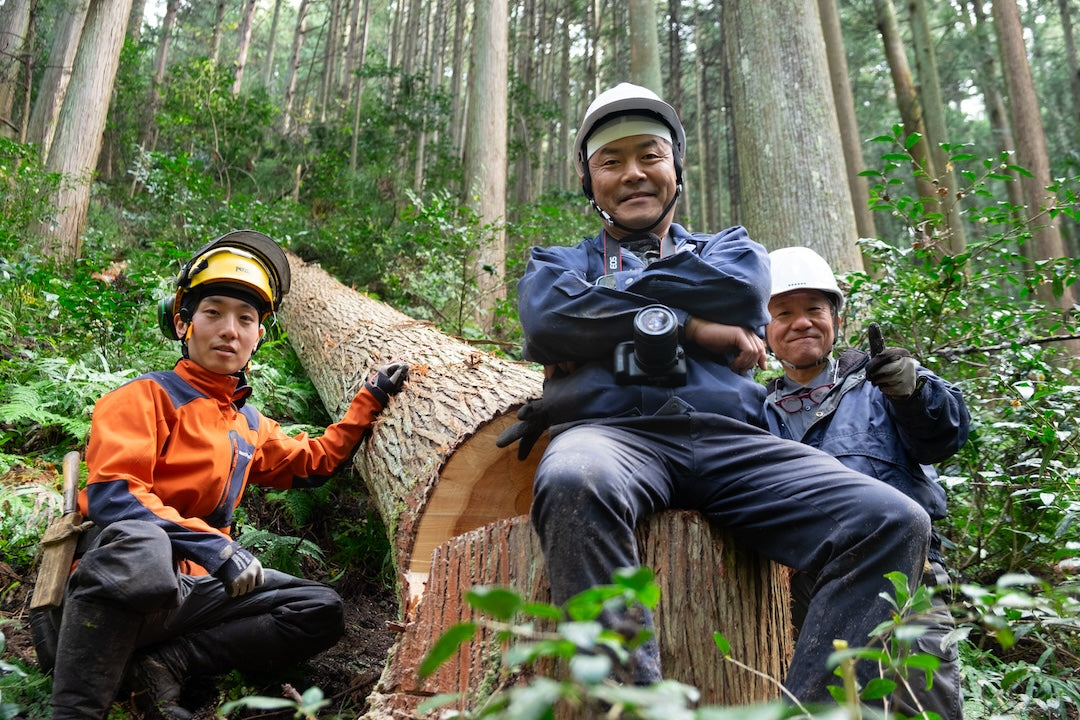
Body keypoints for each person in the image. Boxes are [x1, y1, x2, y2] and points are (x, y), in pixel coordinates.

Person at [496, 82, 932, 703]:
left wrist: (601, 322)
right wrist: (691, 324)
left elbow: (739, 294)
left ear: (676, 166)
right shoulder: (555, 265)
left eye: (650, 155)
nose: (633, 175)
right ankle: (635, 710)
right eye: (610, 162)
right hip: (613, 437)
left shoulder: (731, 250)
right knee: (573, 478)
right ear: (590, 182)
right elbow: (546, 321)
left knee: (892, 519)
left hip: (732, 441)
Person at [48, 230, 408, 720]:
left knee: (317, 607)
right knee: (144, 545)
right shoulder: (140, 399)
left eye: (245, 319)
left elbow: (314, 462)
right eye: (212, 312)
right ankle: (75, 710)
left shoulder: (247, 424)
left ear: (259, 335)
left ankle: (164, 668)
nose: (229, 330)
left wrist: (369, 401)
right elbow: (115, 496)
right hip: (112, 591)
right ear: (182, 322)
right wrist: (215, 547)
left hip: (193, 592)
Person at [764, 246, 968, 720]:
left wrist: (914, 393)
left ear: (836, 317)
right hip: (805, 597)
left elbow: (944, 435)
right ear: (764, 330)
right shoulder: (755, 413)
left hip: (905, 586)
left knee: (922, 708)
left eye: (814, 309)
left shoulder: (880, 386)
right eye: (784, 314)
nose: (802, 323)